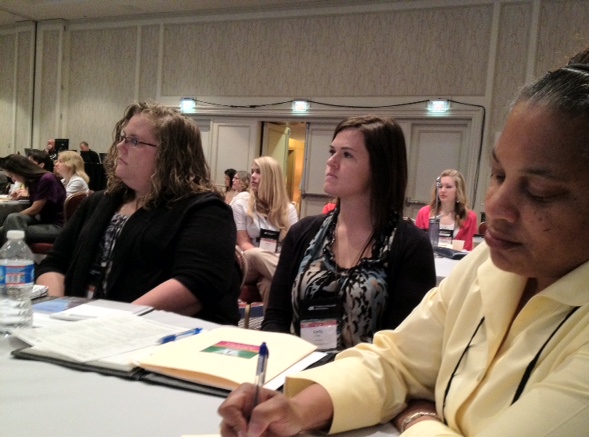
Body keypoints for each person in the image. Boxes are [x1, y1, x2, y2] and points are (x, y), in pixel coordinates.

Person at [218, 39, 589, 437]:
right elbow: (397, 360)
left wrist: (417, 416)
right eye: (497, 174)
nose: (495, 206)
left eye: (540, 192)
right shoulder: (491, 264)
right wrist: (296, 409)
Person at [36, 102, 241, 324]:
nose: (120, 147)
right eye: (122, 138)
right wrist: (55, 311)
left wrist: (110, 324)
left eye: (134, 141)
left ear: (169, 155)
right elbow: (55, 263)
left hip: (158, 340)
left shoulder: (205, 212)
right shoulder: (98, 203)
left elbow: (196, 285)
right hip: (74, 330)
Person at [261, 116, 436, 350]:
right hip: (295, 372)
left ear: (380, 168)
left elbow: (404, 347)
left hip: (364, 381)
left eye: (347, 155)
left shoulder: (410, 246)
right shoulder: (303, 233)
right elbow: (276, 319)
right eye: (332, 151)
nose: (331, 162)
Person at [232, 156, 298, 309]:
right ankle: (299, 287)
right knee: (256, 254)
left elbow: (291, 246)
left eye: (259, 172)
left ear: (271, 177)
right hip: (247, 262)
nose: (253, 176)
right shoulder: (241, 203)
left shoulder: (289, 209)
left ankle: (272, 327)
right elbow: (243, 244)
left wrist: (275, 259)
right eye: (253, 171)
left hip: (273, 263)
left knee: (269, 283)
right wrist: (271, 257)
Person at [0, 154, 65, 243]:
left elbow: (35, 209)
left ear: (20, 171)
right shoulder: (34, 181)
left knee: (12, 221)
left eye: (12, 176)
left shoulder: (47, 179)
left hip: (56, 226)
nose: (14, 180)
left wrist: (7, 222)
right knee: (11, 222)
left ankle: (14, 255)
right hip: (43, 222)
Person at [415, 169, 478, 250]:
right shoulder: (424, 213)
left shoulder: (470, 217)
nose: (443, 190)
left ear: (458, 190)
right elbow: (416, 245)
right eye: (440, 186)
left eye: (448, 187)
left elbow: (469, 250)